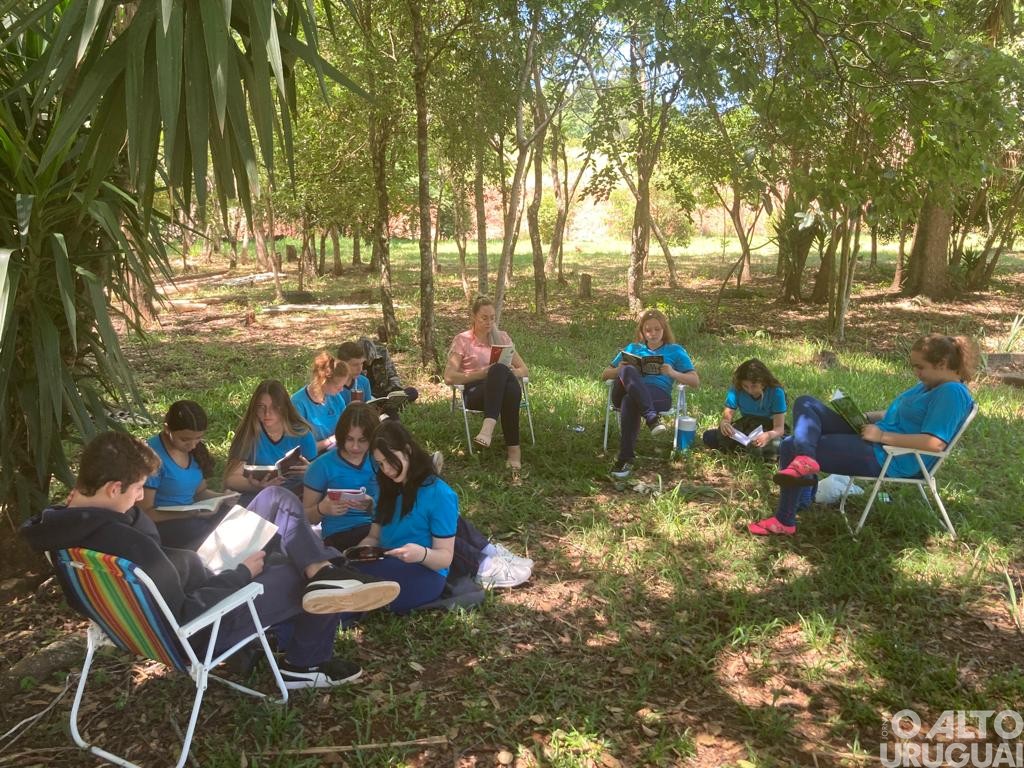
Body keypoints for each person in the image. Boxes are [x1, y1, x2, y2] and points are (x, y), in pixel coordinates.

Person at [20, 431, 401, 689]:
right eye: (137, 489)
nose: (140, 499)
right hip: (203, 627)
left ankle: (324, 571)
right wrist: (239, 574)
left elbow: (160, 581)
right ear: (113, 488)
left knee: (277, 501)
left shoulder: (64, 527)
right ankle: (305, 663)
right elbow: (188, 616)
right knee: (298, 566)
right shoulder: (122, 543)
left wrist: (215, 566)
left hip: (195, 577)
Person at [749, 333, 978, 536]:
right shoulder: (932, 384)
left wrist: (881, 437)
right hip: (875, 438)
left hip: (889, 456)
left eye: (920, 367)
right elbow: (904, 413)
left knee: (791, 444)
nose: (916, 372)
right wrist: (866, 417)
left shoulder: (951, 393)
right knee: (805, 403)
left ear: (943, 363)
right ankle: (805, 474)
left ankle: (785, 519)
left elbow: (934, 443)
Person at [304, 405, 532, 588]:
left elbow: (400, 491)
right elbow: (305, 519)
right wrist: (324, 509)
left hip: (380, 520)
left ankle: (488, 552)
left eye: (362, 440)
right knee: (417, 529)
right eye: (348, 439)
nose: (354, 446)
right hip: (350, 532)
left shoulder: (378, 459)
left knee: (443, 518)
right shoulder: (323, 467)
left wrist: (373, 504)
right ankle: (481, 565)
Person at [600, 308, 700, 479]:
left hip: (657, 394)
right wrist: (619, 370)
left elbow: (695, 381)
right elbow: (604, 375)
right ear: (642, 331)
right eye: (648, 330)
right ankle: (652, 419)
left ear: (664, 329)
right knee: (629, 370)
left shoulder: (675, 350)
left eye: (657, 329)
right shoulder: (633, 348)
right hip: (624, 388)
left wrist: (673, 373)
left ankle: (625, 459)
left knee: (630, 400)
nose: (652, 333)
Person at [443, 295, 530, 481]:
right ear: (473, 316)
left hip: (504, 388)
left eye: (492, 317)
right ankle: (514, 451)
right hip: (475, 391)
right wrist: (483, 373)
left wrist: (507, 373)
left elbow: (523, 369)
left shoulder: (503, 338)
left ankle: (488, 426)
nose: (489, 322)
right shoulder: (463, 340)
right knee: (500, 375)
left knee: (503, 374)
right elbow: (449, 377)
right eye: (484, 317)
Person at [138, 400, 229, 550]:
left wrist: (222, 497)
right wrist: (189, 515)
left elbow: (200, 492)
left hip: (191, 515)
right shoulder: (152, 456)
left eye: (198, 438)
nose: (193, 445)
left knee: (235, 515)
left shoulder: (194, 451)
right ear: (167, 429)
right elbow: (145, 513)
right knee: (204, 530)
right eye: (185, 439)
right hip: (162, 525)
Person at [224, 380, 317, 500]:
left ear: (284, 408)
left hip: (295, 495)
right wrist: (258, 487)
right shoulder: (249, 433)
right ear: (254, 408)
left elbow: (319, 474)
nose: (267, 413)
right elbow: (231, 479)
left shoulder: (302, 433)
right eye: (261, 407)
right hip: (258, 497)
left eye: (274, 407)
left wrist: (311, 472)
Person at [702, 359, 787, 459]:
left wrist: (768, 436)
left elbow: (779, 428)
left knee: (780, 445)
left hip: (768, 428)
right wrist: (725, 424)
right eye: (745, 386)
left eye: (754, 386)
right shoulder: (736, 390)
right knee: (709, 436)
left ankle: (747, 451)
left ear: (763, 383)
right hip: (746, 426)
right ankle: (750, 451)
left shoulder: (776, 393)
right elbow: (726, 418)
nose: (750, 391)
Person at [291, 351, 349, 452]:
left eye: (343, 386)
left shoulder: (335, 397)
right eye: (337, 386)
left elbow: (347, 425)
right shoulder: (298, 403)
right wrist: (331, 440)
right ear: (323, 381)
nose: (341, 390)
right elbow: (300, 448)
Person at [358, 335, 419, 419]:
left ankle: (387, 407)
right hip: (369, 396)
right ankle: (386, 410)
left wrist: (397, 392)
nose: (368, 362)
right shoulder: (356, 363)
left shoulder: (382, 352)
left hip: (385, 392)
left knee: (412, 392)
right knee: (390, 413)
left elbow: (392, 374)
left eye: (371, 359)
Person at [336, 341, 375, 406]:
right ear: (341, 363)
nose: (360, 369)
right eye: (355, 365)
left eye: (362, 363)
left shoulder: (364, 382)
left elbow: (368, 408)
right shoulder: (332, 386)